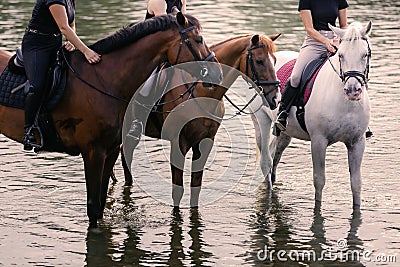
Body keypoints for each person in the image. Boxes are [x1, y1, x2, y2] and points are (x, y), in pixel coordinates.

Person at [22, 0, 101, 150]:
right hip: (37, 44)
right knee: (37, 85)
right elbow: (64, 27)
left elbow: (70, 24)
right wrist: (86, 51)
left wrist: (71, 39)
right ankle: (29, 129)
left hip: (55, 42)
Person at [274, 0, 348, 134]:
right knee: (296, 77)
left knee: (352, 72)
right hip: (314, 43)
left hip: (335, 42)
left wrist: (337, 38)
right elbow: (309, 28)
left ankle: (361, 121)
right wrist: (325, 41)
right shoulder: (306, 1)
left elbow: (344, 26)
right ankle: (283, 113)